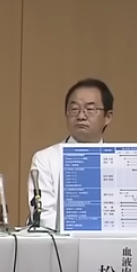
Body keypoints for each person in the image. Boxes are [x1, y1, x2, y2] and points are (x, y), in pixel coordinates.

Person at [27, 78, 114, 230]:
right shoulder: (45, 159)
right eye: (74, 109)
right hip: (61, 243)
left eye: (90, 109)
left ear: (107, 117)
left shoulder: (119, 160)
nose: (81, 116)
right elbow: (44, 217)